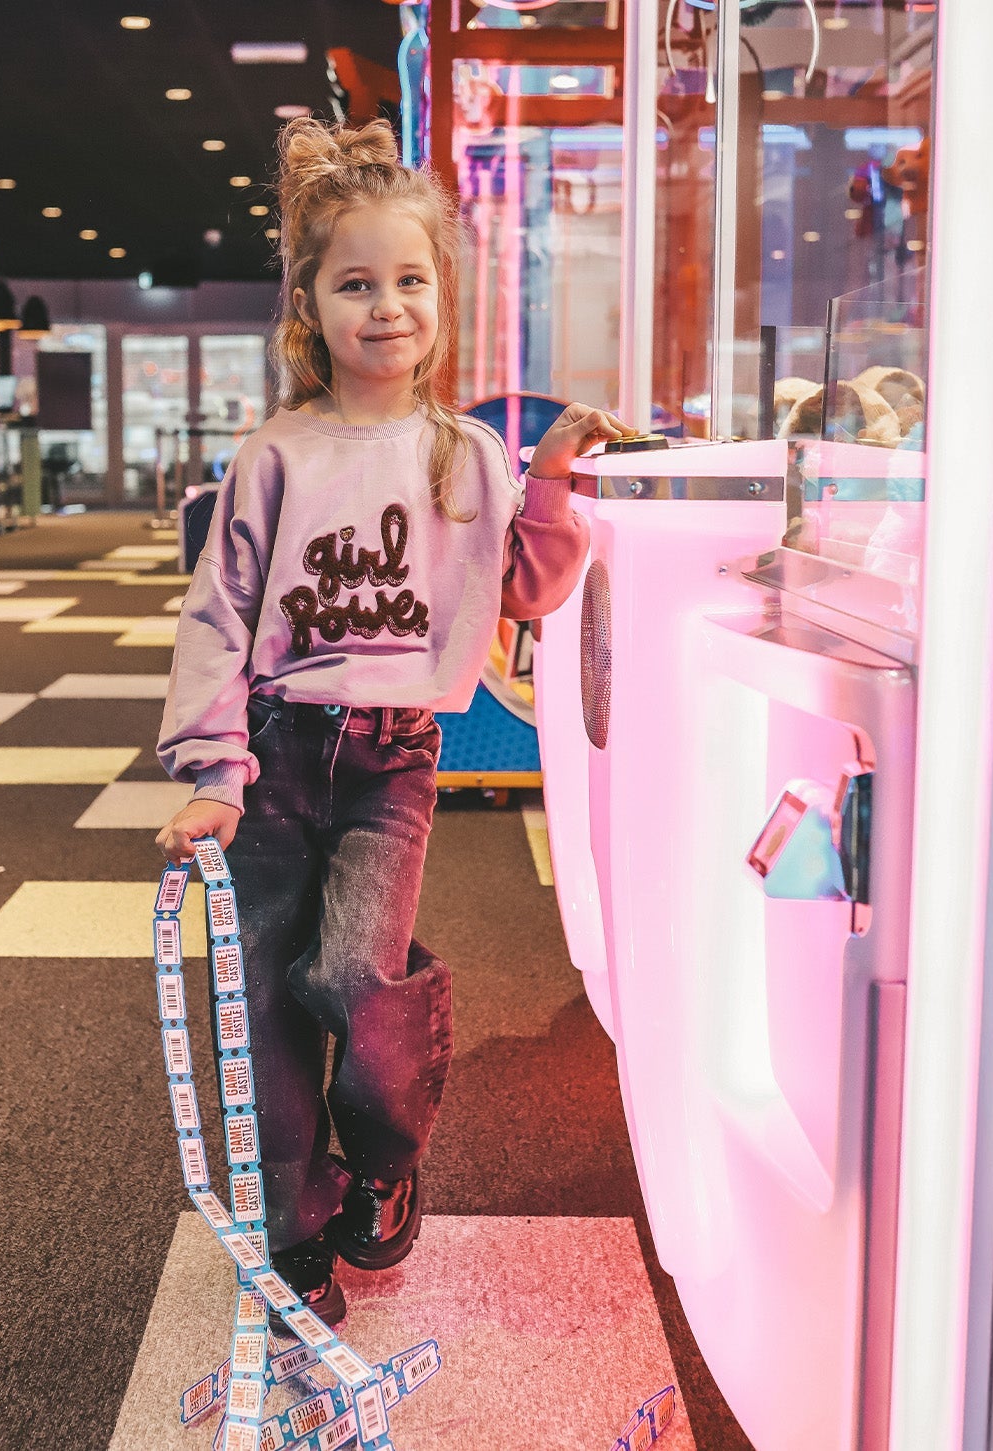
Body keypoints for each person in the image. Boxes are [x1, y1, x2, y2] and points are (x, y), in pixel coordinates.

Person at [156, 116, 629, 1330]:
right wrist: (211, 767)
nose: (385, 306)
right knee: (260, 1009)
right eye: (355, 283)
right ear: (308, 305)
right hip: (269, 755)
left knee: (353, 974)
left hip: (390, 761)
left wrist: (551, 478)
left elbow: (524, 588)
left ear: (439, 297)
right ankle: (293, 1228)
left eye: (408, 280)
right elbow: (217, 614)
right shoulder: (274, 454)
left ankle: (382, 1156)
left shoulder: (463, 453)